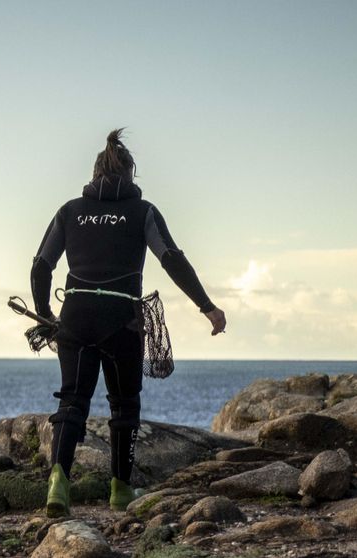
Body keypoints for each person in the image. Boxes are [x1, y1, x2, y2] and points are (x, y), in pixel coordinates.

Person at [30, 129, 226, 517]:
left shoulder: (69, 211)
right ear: (130, 175)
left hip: (76, 317)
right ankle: (120, 490)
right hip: (122, 320)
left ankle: (57, 485)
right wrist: (207, 306)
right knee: (124, 405)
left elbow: (41, 267)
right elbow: (170, 257)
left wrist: (45, 316)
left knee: (72, 401)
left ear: (95, 172)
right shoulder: (143, 211)